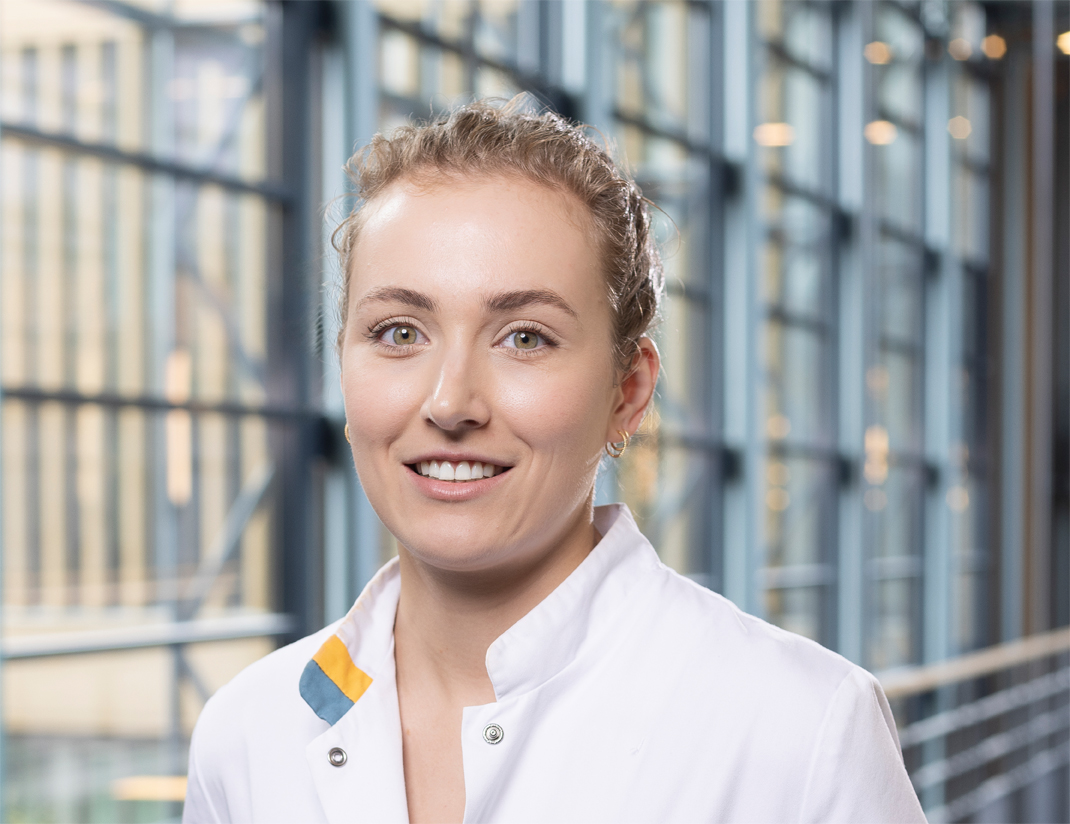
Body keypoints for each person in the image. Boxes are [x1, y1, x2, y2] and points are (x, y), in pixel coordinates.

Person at [183, 98, 927, 824]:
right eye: (400, 332)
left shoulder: (801, 733)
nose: (450, 402)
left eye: (525, 338)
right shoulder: (248, 736)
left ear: (627, 393)